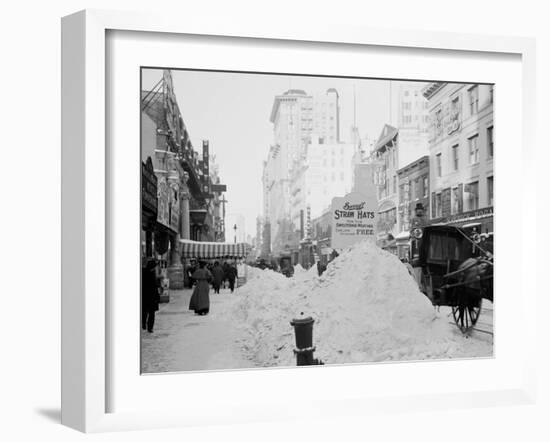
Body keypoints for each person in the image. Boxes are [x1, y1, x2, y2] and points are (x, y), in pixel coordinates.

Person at [141, 259, 160, 333]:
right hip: (151, 296)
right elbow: (155, 286)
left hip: (146, 296)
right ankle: (149, 327)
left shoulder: (144, 273)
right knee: (151, 312)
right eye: (155, 266)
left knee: (145, 311)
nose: (155, 268)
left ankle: (144, 325)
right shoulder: (150, 274)